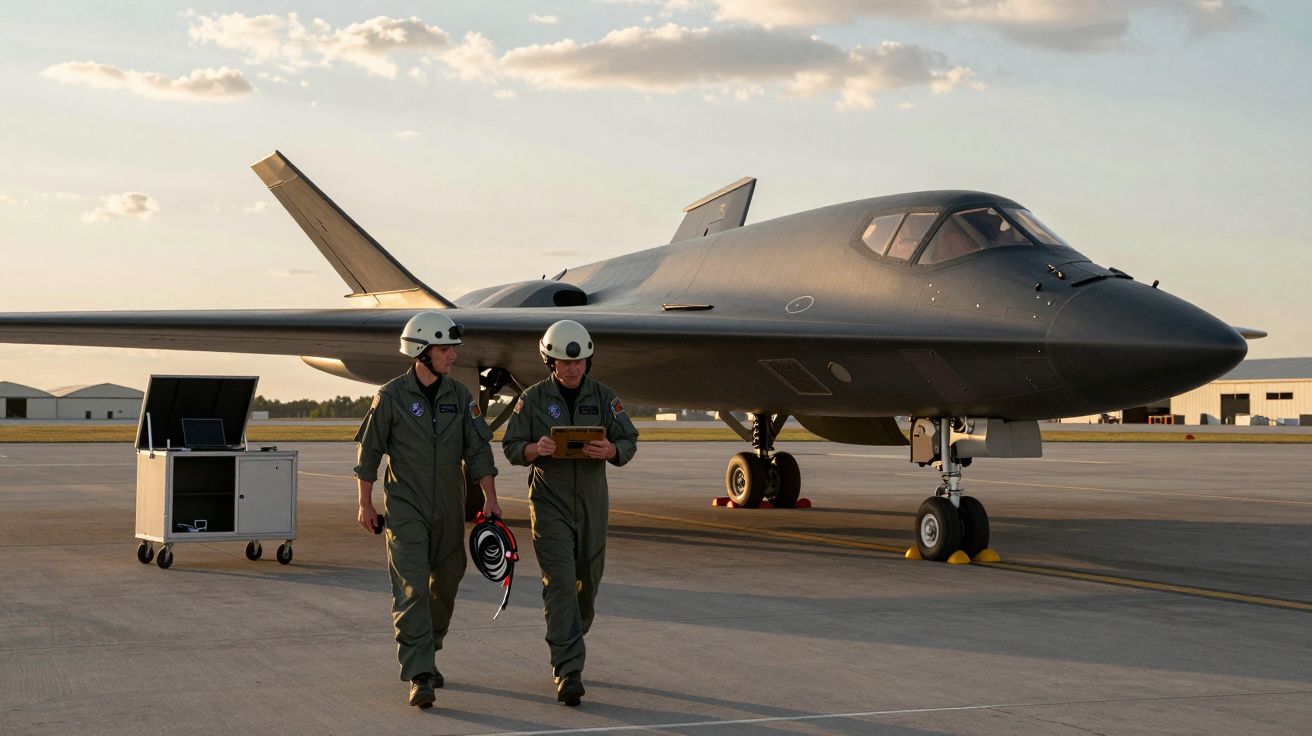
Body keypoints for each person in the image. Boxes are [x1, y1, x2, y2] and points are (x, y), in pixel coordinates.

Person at [353, 311, 501, 709]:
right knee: (413, 587)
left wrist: (490, 497)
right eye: (445, 348)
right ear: (422, 352)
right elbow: (368, 454)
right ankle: (420, 673)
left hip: (449, 508)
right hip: (406, 507)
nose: (453, 355)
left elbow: (478, 450)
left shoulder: (460, 396)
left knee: (448, 578)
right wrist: (365, 503)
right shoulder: (391, 396)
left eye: (452, 348)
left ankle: (428, 646)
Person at [501, 320, 638, 706]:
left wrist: (611, 451)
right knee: (560, 583)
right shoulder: (532, 399)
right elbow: (512, 447)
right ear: (550, 362)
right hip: (550, 504)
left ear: (588, 362)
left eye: (578, 363)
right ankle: (568, 669)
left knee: (587, 586)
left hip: (592, 505)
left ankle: (571, 637)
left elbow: (629, 440)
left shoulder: (605, 397)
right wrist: (535, 449)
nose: (572, 369)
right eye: (563, 363)